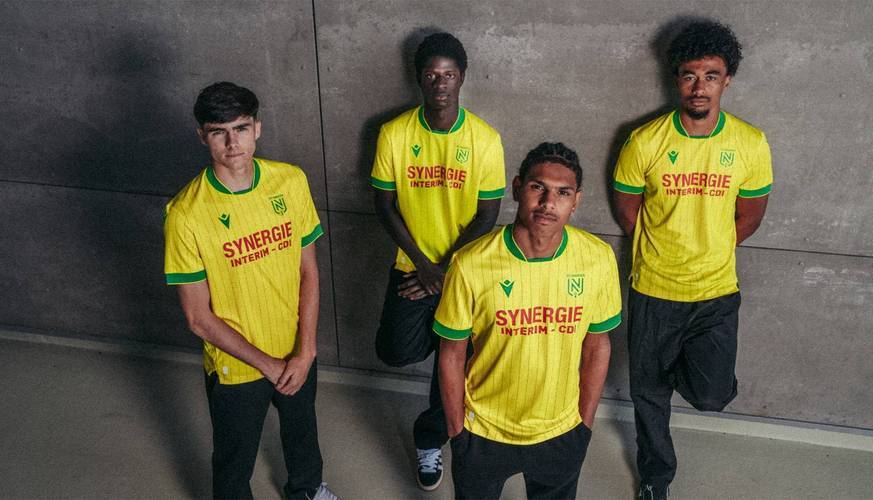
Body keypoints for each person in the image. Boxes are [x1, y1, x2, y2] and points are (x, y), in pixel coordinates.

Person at [612, 21, 773, 499]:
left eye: (711, 75)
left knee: (712, 395)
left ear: (727, 80)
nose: (699, 86)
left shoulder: (750, 143)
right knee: (648, 396)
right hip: (653, 289)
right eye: (689, 75)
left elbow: (751, 216)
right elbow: (628, 211)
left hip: (715, 293)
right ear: (676, 79)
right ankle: (656, 477)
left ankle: (676, 370)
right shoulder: (644, 141)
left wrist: (710, 248)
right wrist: (666, 248)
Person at [164, 82, 338, 500]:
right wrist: (267, 365)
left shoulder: (290, 181)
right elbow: (198, 318)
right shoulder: (185, 214)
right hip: (237, 367)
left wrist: (306, 350)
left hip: (295, 349)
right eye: (219, 132)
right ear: (202, 136)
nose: (232, 143)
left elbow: (308, 271)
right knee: (234, 459)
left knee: (302, 432)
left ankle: (307, 491)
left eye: (241, 128)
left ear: (257, 128)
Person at [436, 143, 622, 499]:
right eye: (538, 188)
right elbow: (452, 353)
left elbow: (597, 346)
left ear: (576, 201)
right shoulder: (470, 263)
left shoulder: (597, 259)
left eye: (563, 193)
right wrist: (457, 431)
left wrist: (584, 424)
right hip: (483, 431)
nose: (548, 203)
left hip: (561, 431)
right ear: (518, 188)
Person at [370, 32, 505, 490]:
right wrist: (426, 269)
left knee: (453, 367)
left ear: (461, 78)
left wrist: (445, 271)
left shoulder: (484, 139)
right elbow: (384, 204)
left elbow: (487, 214)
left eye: (448, 74)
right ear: (419, 79)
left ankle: (430, 439)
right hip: (413, 269)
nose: (440, 83)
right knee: (394, 350)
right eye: (432, 75)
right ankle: (446, 339)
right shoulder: (395, 133)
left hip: (464, 275)